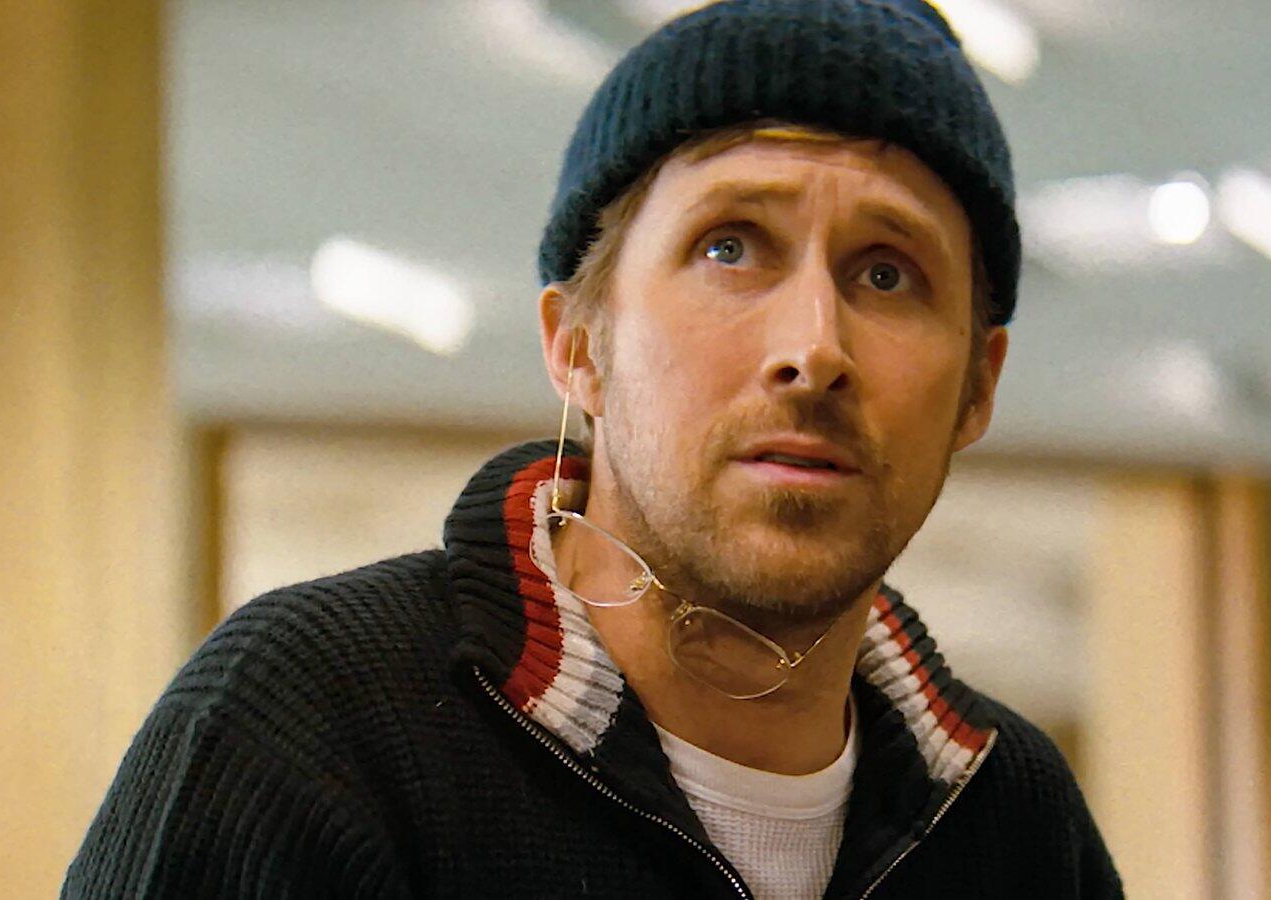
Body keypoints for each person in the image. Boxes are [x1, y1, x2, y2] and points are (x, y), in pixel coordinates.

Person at [65, 1, 1121, 896]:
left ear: (978, 385)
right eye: (729, 247)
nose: (813, 349)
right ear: (578, 345)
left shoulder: (1016, 824)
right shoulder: (314, 722)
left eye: (888, 273)